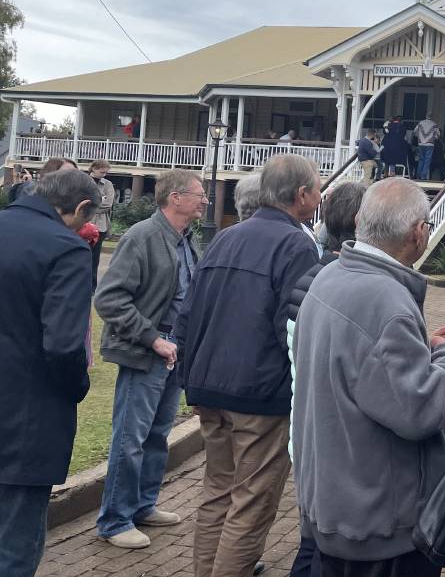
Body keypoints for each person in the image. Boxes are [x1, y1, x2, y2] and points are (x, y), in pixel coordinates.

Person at [292, 177, 445, 576]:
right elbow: (420, 411)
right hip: (380, 526)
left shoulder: (331, 276)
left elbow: (364, 370)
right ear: (418, 233)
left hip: (337, 502)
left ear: (359, 220)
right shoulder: (385, 300)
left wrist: (421, 350)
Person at [177, 153, 322, 577]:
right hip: (258, 394)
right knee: (251, 503)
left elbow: (189, 311)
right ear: (300, 195)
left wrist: (191, 378)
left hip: (211, 386)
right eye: (316, 189)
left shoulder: (227, 236)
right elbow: (293, 326)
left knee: (218, 493)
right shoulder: (296, 244)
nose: (319, 197)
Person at [93, 170, 205, 549]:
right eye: (198, 195)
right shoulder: (143, 236)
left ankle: (142, 506)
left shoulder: (185, 240)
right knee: (131, 438)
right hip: (146, 352)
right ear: (175, 198)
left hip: (174, 351)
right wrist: (152, 338)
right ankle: (115, 520)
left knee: (157, 435)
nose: (205, 201)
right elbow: (109, 299)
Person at [0, 170, 98, 577]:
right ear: (79, 208)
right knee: (16, 545)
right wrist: (77, 387)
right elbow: (62, 344)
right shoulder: (64, 248)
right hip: (27, 415)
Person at [281, 180, 367, 577]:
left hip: (308, 430)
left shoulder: (312, 276)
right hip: (334, 441)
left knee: (312, 540)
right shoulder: (351, 287)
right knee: (323, 550)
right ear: (359, 220)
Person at [87, 159, 116, 289]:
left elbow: (108, 204)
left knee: (95, 258)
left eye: (106, 173)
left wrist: (90, 205)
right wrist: (98, 202)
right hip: (84, 224)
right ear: (93, 169)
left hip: (100, 226)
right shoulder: (84, 181)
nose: (103, 175)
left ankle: (93, 287)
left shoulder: (108, 184)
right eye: (101, 172)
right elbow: (78, 200)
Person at [414, 112, 441, 180]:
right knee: (427, 160)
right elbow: (438, 135)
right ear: (432, 117)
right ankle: (423, 176)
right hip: (430, 144)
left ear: (426, 116)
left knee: (421, 159)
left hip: (421, 144)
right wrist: (433, 137)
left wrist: (419, 137)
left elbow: (415, 132)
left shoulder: (420, 123)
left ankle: (418, 175)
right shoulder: (434, 124)